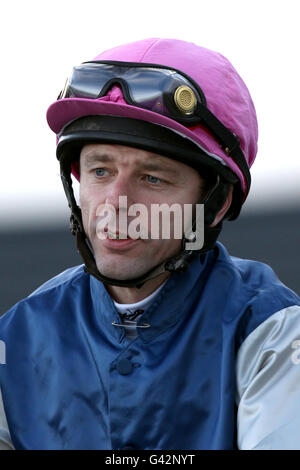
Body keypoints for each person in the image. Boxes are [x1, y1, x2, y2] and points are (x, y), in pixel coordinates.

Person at [0, 38, 300, 451]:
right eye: (100, 171)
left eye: (152, 178)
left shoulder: (273, 334)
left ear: (216, 203)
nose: (116, 204)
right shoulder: (15, 336)